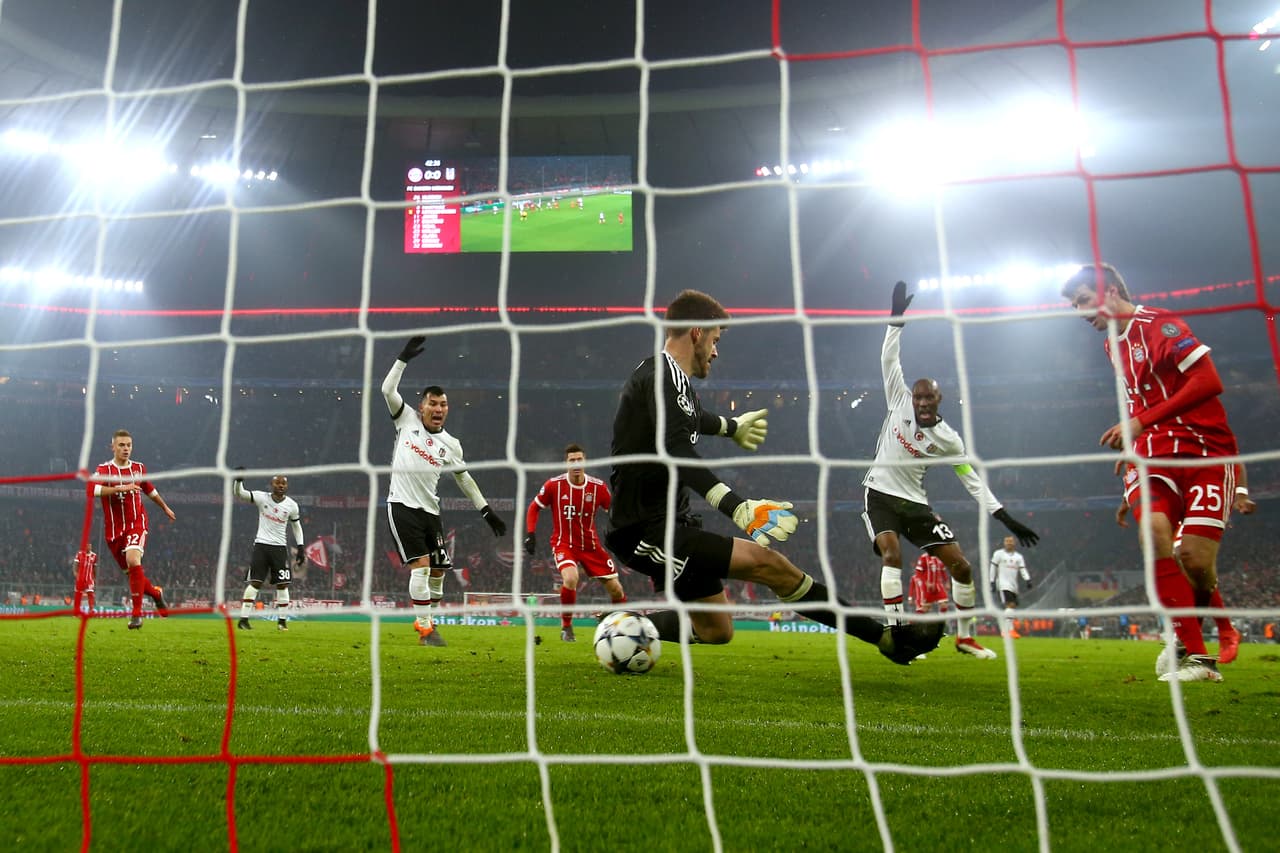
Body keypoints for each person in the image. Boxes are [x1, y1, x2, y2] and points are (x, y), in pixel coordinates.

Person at [604, 288, 942, 663]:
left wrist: (730, 426)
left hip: (671, 522)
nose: (716, 352)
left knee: (717, 630)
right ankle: (884, 638)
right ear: (696, 333)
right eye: (715, 340)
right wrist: (737, 507)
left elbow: (692, 419)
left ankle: (621, 625)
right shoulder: (662, 375)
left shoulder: (671, 381)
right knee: (769, 563)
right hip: (642, 530)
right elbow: (676, 448)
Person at [1063, 262, 1246, 682]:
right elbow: (1136, 403)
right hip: (1154, 453)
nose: (1080, 311)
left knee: (1195, 560)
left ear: (1110, 292)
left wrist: (1142, 422)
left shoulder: (1160, 324)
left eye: (1084, 300)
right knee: (1154, 534)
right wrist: (1133, 445)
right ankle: (1201, 661)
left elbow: (1209, 380)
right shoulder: (1113, 345)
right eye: (1074, 305)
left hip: (1205, 451)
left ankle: (1188, 635)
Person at [863, 282, 1039, 660]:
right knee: (892, 556)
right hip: (879, 494)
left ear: (939, 400)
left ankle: (965, 637)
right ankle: (895, 633)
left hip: (915, 504)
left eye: (929, 398)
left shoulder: (948, 440)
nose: (922, 402)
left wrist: (1005, 518)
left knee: (962, 566)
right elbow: (889, 361)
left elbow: (971, 480)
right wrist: (896, 321)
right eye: (919, 396)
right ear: (913, 397)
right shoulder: (898, 400)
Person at [383, 335, 508, 647]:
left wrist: (486, 509)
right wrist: (403, 358)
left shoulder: (451, 445)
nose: (438, 408)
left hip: (431, 512)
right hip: (402, 506)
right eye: (433, 403)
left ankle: (427, 618)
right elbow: (387, 390)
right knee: (422, 568)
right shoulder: (406, 419)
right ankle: (426, 629)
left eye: (443, 404)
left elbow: (464, 479)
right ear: (422, 405)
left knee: (438, 576)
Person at [1116, 461, 1255, 666]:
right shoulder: (1140, 447)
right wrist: (1125, 503)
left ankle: (1218, 633)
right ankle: (1202, 638)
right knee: (1178, 564)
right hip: (1169, 501)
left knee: (1187, 557)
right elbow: (1137, 477)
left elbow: (1231, 456)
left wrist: (1240, 493)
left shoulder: (1172, 437)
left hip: (1193, 495)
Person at [524, 443, 627, 642]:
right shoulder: (554, 485)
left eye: (580, 459)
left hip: (591, 546)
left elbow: (614, 513)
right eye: (572, 460)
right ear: (566, 463)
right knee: (570, 579)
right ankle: (567, 628)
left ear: (585, 462)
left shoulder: (597, 487)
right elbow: (534, 507)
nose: (576, 463)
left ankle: (616, 626)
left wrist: (621, 532)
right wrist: (531, 533)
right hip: (564, 544)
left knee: (617, 589)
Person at [90, 429, 174, 630]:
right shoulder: (104, 470)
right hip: (113, 531)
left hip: (137, 522)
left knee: (133, 560)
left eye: (128, 445)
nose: (126, 448)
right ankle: (156, 594)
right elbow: (91, 490)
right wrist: (118, 489)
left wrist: (164, 507)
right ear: (113, 447)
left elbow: (149, 489)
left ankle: (136, 615)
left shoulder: (138, 468)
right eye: (121, 445)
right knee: (133, 574)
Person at [233, 472, 305, 631]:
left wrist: (301, 548)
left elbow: (296, 527)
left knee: (283, 585)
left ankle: (282, 622)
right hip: (261, 546)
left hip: (279, 549)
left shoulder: (292, 505)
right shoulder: (261, 497)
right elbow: (240, 493)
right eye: (277, 483)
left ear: (286, 486)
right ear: (271, 485)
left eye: (283, 484)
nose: (280, 486)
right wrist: (238, 481)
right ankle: (243, 620)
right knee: (255, 582)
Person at [989, 536, 1032, 637]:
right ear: (1004, 543)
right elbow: (992, 568)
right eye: (1007, 541)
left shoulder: (1018, 557)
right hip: (1003, 584)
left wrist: (1028, 579)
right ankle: (1009, 631)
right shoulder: (998, 554)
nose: (1009, 543)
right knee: (1010, 605)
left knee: (1012, 606)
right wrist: (992, 581)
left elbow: (1023, 569)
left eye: (1011, 541)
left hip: (1013, 586)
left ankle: (1006, 631)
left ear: (1014, 543)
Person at [73, 548, 98, 615]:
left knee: (91, 594)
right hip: (80, 578)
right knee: (78, 594)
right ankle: (76, 611)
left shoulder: (94, 556)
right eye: (87, 545)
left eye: (90, 545)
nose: (88, 547)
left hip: (89, 579)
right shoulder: (79, 554)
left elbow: (95, 568)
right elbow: (75, 565)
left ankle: (91, 610)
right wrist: (76, 574)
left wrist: (94, 578)